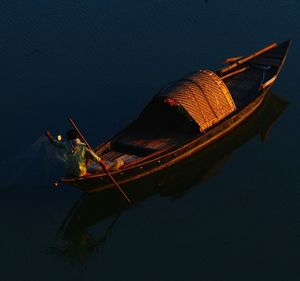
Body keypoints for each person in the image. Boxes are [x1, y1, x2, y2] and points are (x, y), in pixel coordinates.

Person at [45, 129, 109, 177]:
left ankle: (79, 172)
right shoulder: (83, 147)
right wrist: (105, 168)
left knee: (86, 157)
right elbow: (99, 160)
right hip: (80, 172)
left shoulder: (66, 145)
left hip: (69, 171)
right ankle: (84, 173)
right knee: (87, 157)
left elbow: (55, 143)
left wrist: (49, 135)